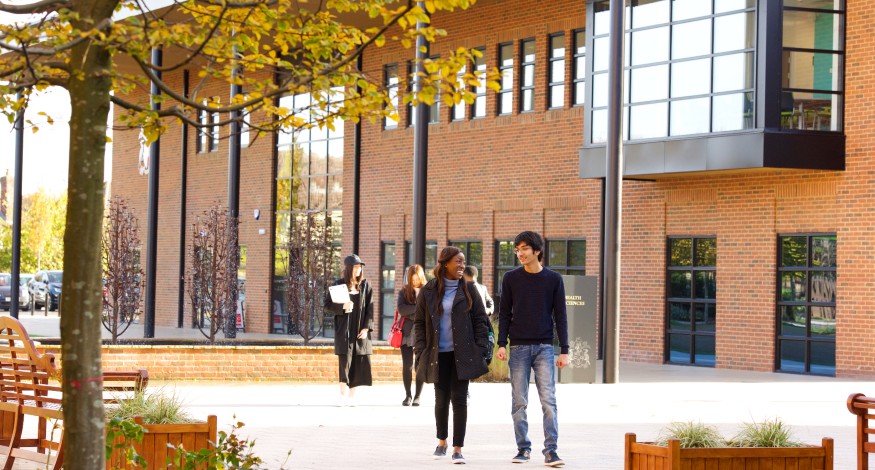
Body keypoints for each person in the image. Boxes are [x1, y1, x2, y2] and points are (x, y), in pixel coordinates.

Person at [495, 231, 569, 468]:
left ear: (537, 250)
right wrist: (501, 344)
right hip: (517, 347)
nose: (520, 253)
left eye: (524, 248)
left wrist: (564, 349)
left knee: (548, 401)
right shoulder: (510, 278)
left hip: (544, 347)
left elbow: (561, 316)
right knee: (519, 401)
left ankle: (551, 451)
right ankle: (523, 448)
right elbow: (504, 312)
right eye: (517, 249)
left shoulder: (554, 279)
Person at [414, 246, 490, 464]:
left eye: (463, 261)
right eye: (458, 261)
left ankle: (457, 448)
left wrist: (480, 347)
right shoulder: (428, 291)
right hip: (438, 354)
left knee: (459, 400)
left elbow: (480, 320)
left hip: (462, 354)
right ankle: (442, 442)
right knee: (441, 400)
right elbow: (419, 323)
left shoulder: (468, 289)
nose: (462, 265)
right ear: (445, 263)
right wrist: (421, 350)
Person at [324, 254, 374, 407]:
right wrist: (342, 307)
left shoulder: (366, 286)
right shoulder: (339, 285)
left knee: (358, 362)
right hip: (344, 330)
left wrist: (366, 328)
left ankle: (352, 397)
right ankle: (342, 395)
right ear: (348, 268)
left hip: (359, 330)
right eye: (356, 267)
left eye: (360, 267)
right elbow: (327, 305)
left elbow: (370, 310)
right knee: (344, 361)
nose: (359, 270)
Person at [397, 264, 426, 406]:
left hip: (423, 333)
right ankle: (408, 395)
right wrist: (418, 310)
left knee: (419, 365)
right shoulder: (403, 292)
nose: (415, 282)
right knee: (407, 365)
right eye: (412, 279)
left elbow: (431, 310)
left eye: (417, 279)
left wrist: (412, 312)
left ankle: (417, 396)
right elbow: (402, 310)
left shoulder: (428, 291)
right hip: (406, 332)